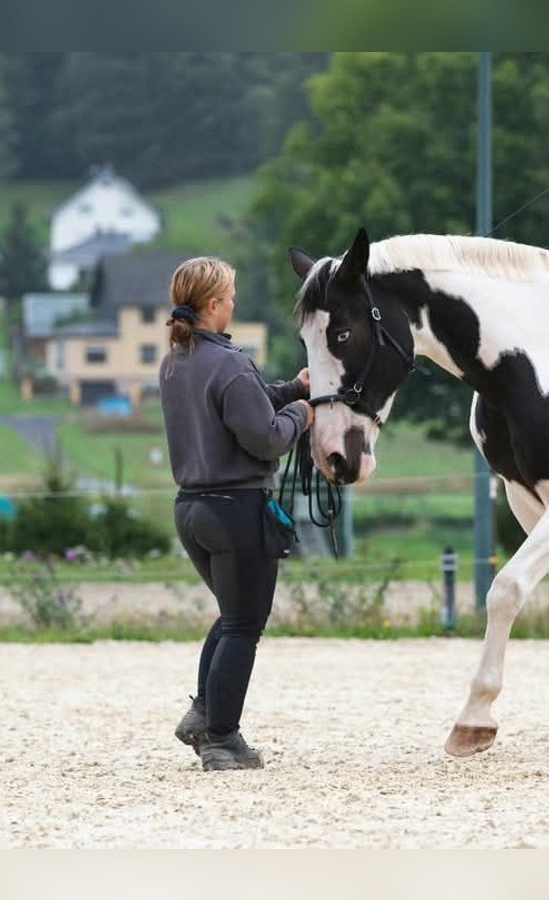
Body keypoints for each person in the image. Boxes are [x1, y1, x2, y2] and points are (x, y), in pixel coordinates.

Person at [160, 256, 313, 771]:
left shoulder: (176, 360)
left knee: (231, 616)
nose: (234, 303)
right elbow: (265, 437)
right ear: (212, 305)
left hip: (192, 510)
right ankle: (222, 739)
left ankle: (204, 713)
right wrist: (301, 415)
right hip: (237, 510)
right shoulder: (229, 362)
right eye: (229, 296)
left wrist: (291, 389)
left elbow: (246, 404)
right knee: (245, 623)